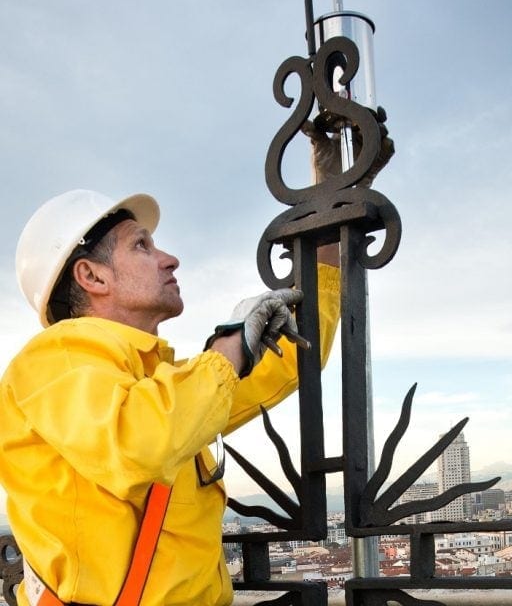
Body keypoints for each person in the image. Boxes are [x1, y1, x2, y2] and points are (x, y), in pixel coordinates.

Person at [0, 186, 341, 606]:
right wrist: (230, 346)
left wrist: (328, 219)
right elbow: (140, 440)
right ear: (92, 276)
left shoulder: (160, 384)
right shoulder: (54, 360)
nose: (169, 259)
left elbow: (289, 360)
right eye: (141, 245)